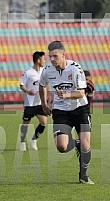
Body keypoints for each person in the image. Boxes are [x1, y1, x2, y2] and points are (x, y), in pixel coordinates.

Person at [39, 41, 94, 184]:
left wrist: (67, 95)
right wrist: (44, 104)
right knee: (62, 147)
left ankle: (83, 175)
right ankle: (74, 144)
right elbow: (42, 85)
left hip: (80, 109)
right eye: (50, 56)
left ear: (64, 55)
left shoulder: (75, 69)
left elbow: (81, 93)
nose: (52, 59)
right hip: (61, 111)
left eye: (55, 56)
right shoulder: (47, 70)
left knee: (86, 145)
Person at [19, 51, 48, 151]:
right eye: (43, 59)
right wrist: (28, 91)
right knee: (25, 123)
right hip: (30, 103)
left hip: (40, 102)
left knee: (44, 122)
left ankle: (34, 139)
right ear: (38, 60)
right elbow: (21, 85)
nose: (45, 61)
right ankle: (22, 142)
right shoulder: (28, 72)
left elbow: (46, 85)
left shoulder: (44, 71)